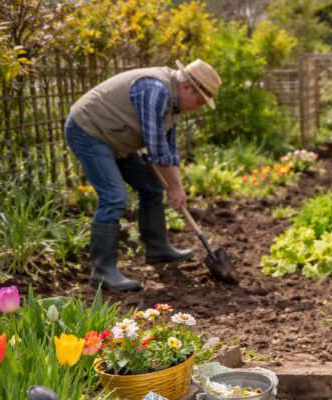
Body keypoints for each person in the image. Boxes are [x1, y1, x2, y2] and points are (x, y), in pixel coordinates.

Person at [65, 59, 221, 291]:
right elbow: (156, 148)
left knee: (151, 185)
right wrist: (174, 187)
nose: (198, 107)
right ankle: (103, 272)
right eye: (199, 101)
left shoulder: (173, 104)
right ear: (187, 87)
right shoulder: (155, 90)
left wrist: (175, 186)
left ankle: (158, 249)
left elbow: (168, 150)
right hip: (89, 131)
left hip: (116, 138)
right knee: (114, 197)